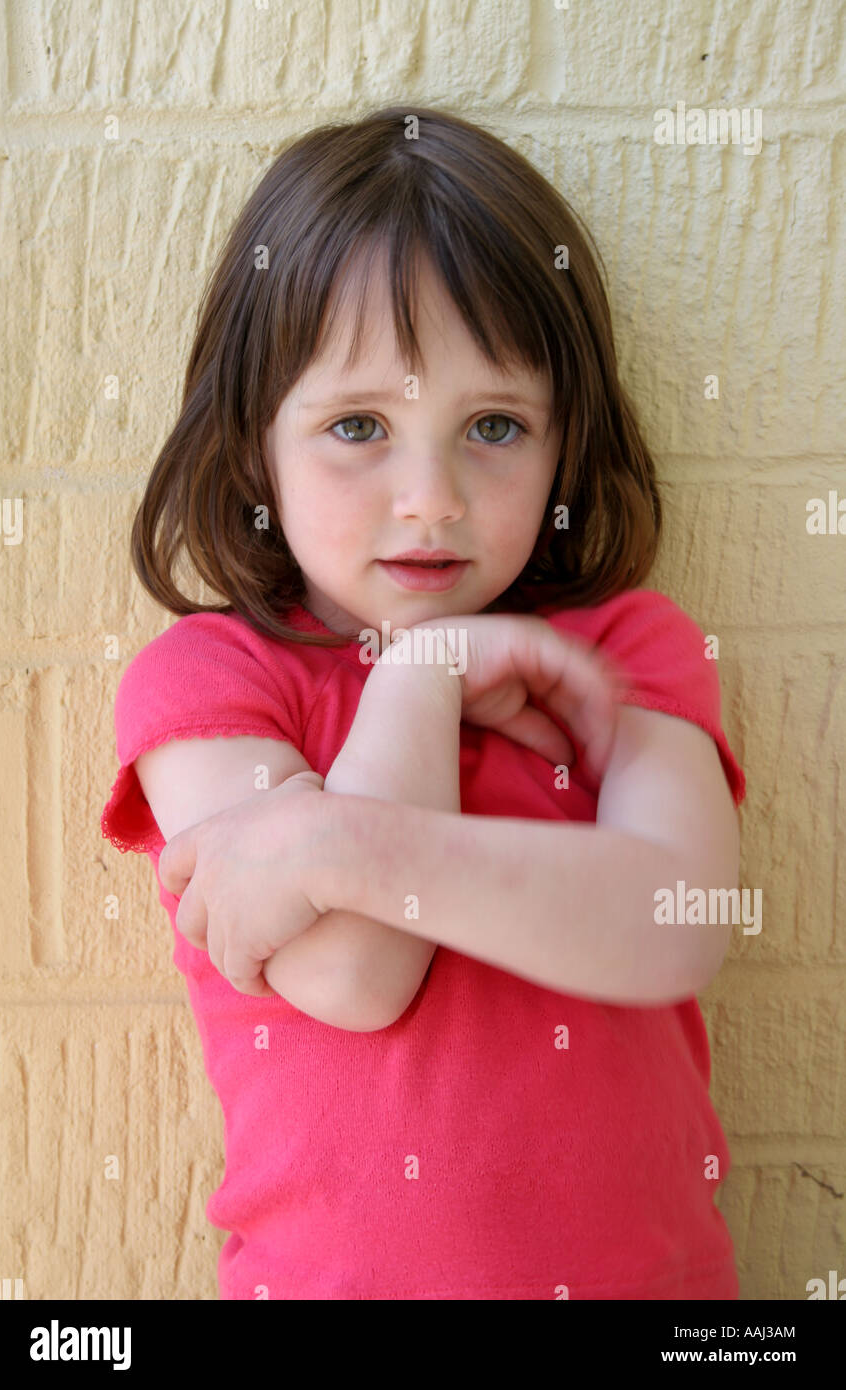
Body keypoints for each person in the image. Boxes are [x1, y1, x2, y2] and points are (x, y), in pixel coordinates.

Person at [101, 104, 747, 1300]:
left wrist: (328, 834)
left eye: (492, 427)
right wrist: (417, 679)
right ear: (255, 450)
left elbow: (676, 919)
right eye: (358, 427)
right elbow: (355, 974)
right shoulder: (210, 679)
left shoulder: (622, 650)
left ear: (563, 444)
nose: (428, 500)